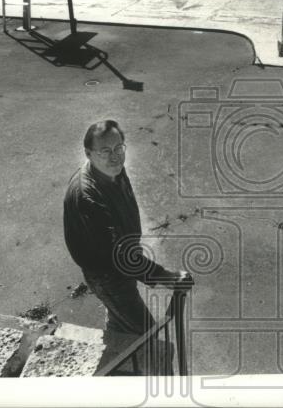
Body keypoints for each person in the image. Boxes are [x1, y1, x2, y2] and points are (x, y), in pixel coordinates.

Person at [63, 119, 192, 375]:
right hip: (109, 277)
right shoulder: (87, 197)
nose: (115, 156)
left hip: (124, 266)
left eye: (119, 147)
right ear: (88, 154)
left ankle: (110, 371)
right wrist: (167, 277)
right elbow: (116, 256)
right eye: (105, 151)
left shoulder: (113, 171)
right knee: (151, 341)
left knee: (120, 325)